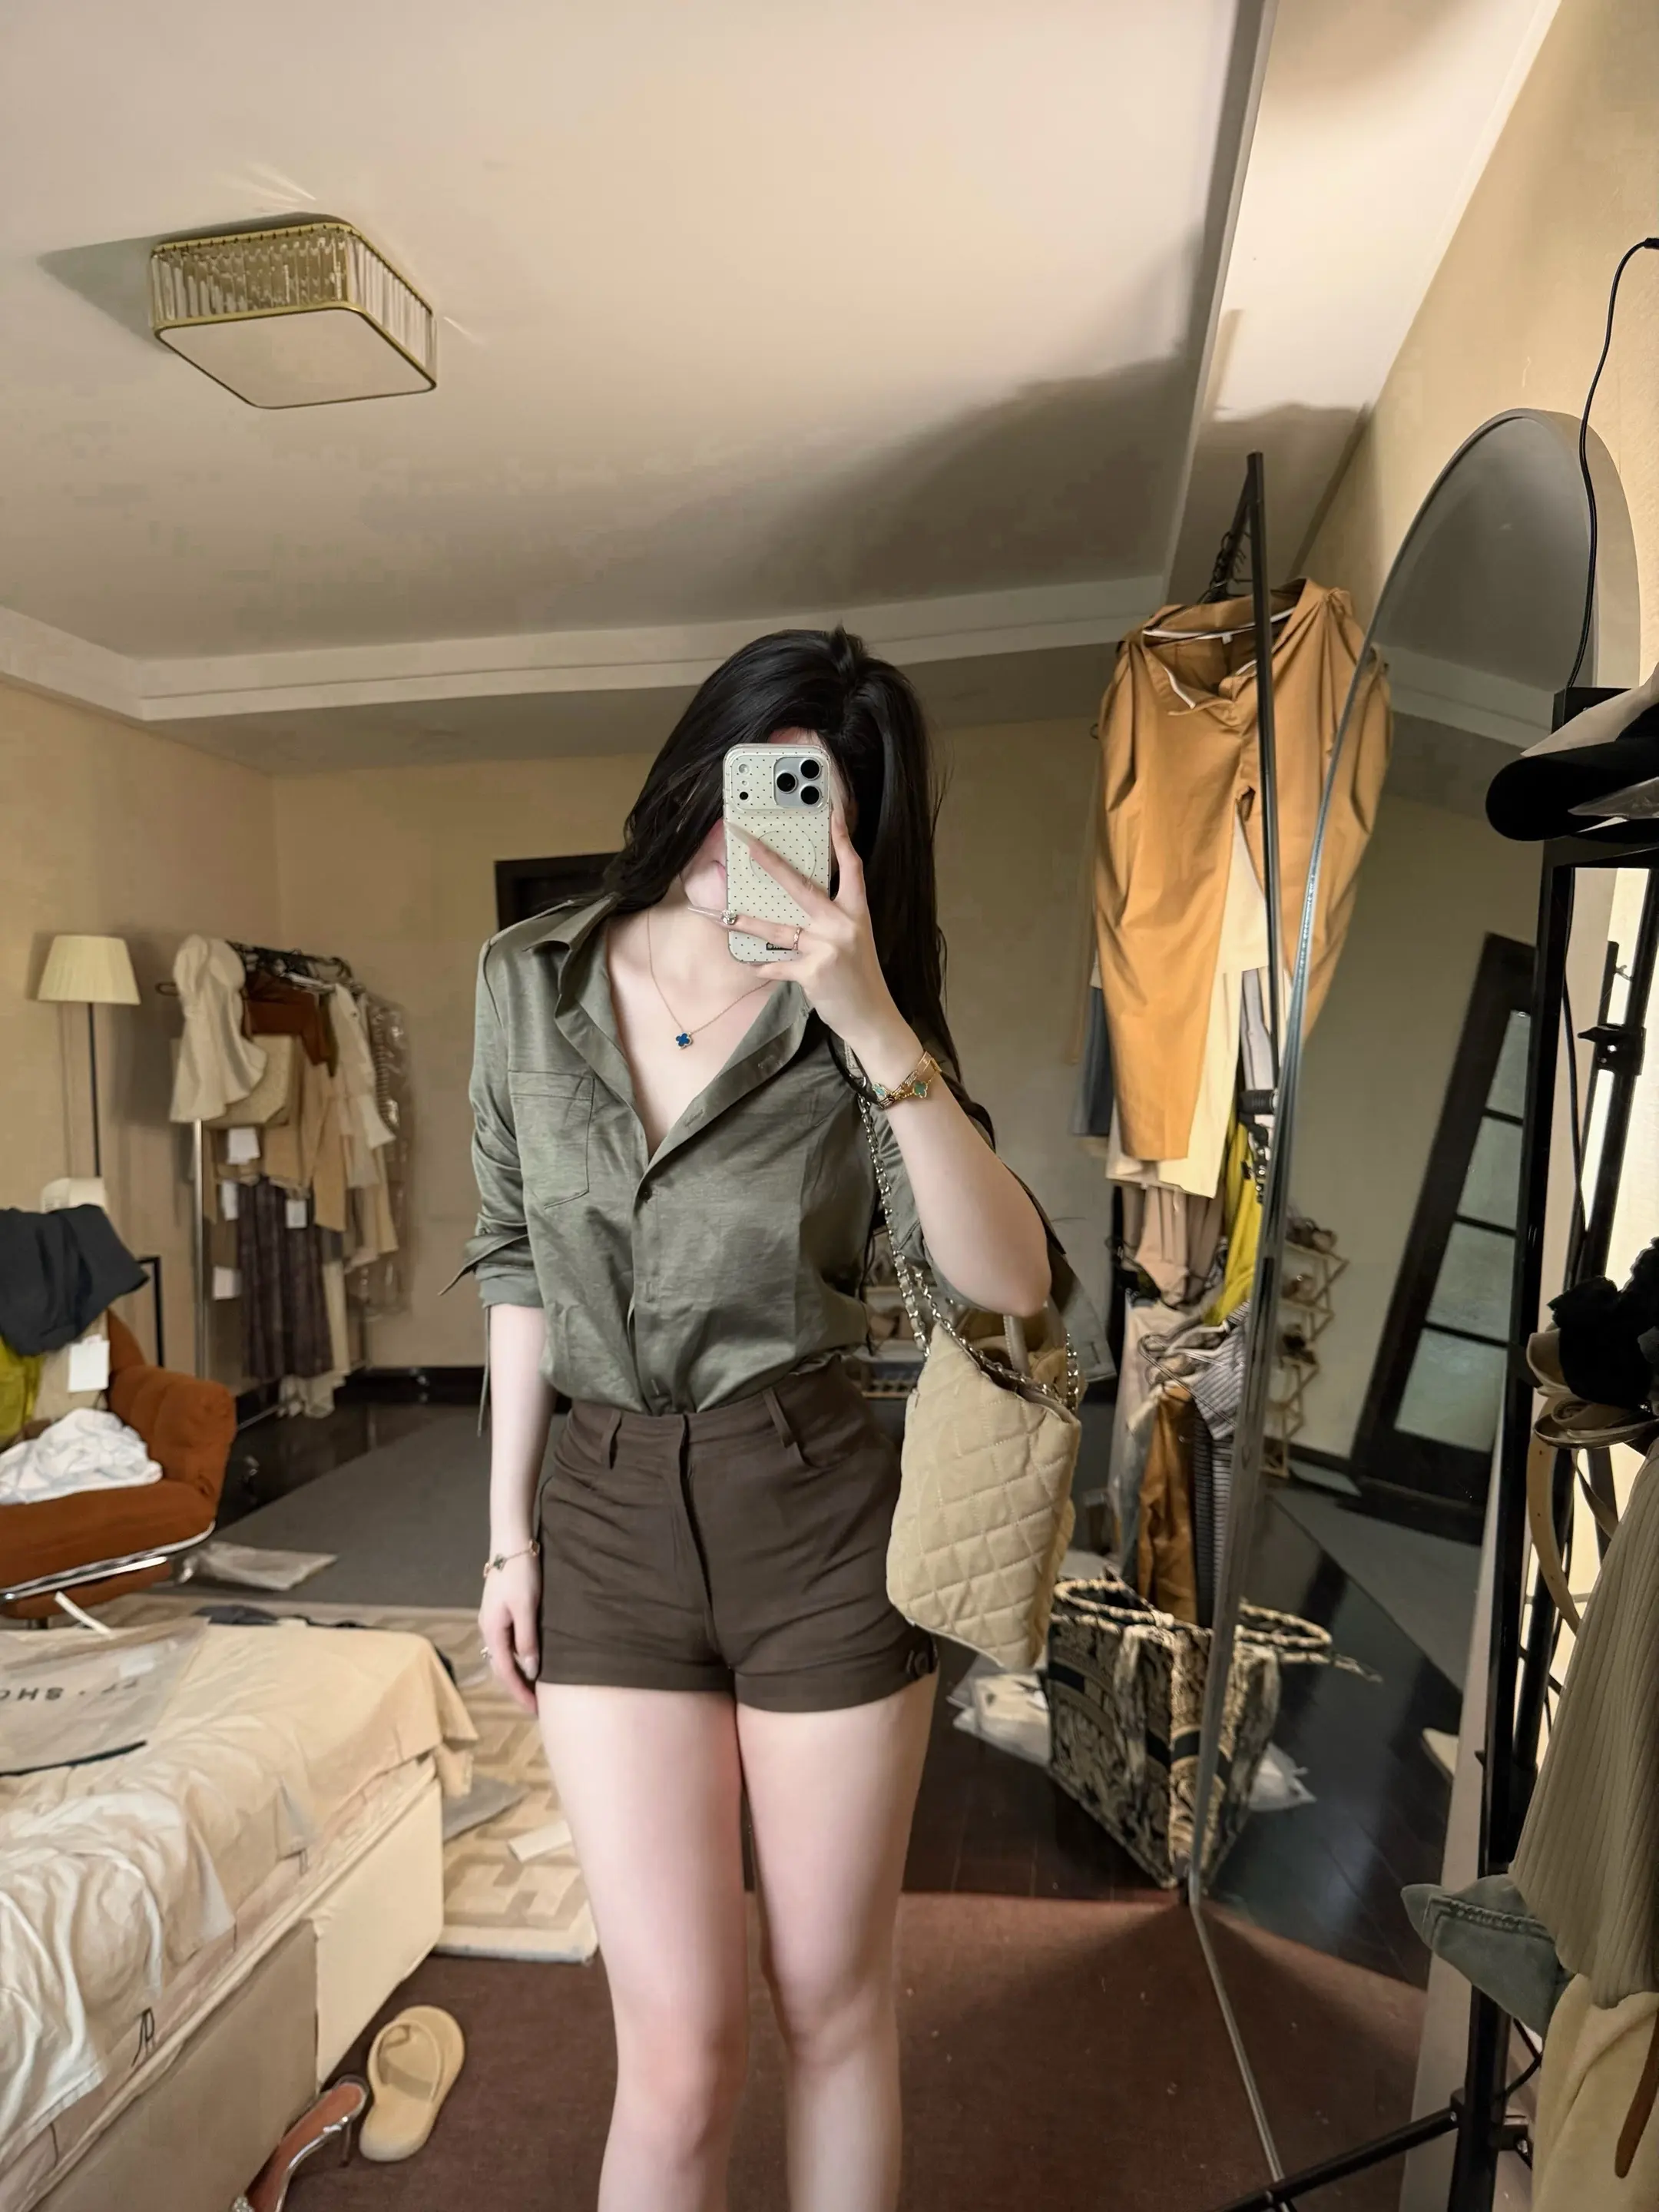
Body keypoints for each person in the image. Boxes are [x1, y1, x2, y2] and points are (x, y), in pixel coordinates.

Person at [467, 626, 1090, 2212]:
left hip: (813, 1516)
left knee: (831, 2008)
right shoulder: (527, 980)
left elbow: (1013, 1286)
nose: (750, 832)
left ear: (854, 844)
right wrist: (505, 1543)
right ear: (697, 769)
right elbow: (517, 1265)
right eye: (748, 780)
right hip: (603, 1516)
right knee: (676, 2054)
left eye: (815, 807)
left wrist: (872, 1021)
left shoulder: (855, 1022)